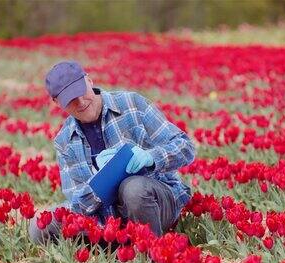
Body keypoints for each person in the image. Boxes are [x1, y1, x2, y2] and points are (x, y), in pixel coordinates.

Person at [29, 61, 195, 244]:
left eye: (81, 92)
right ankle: (122, 244)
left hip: (154, 204)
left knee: (133, 188)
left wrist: (151, 158)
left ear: (89, 81)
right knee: (40, 226)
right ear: (56, 102)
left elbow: (185, 146)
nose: (81, 102)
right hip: (105, 217)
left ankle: (151, 250)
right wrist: (100, 181)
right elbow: (78, 203)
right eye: (71, 100)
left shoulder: (132, 104)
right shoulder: (65, 141)